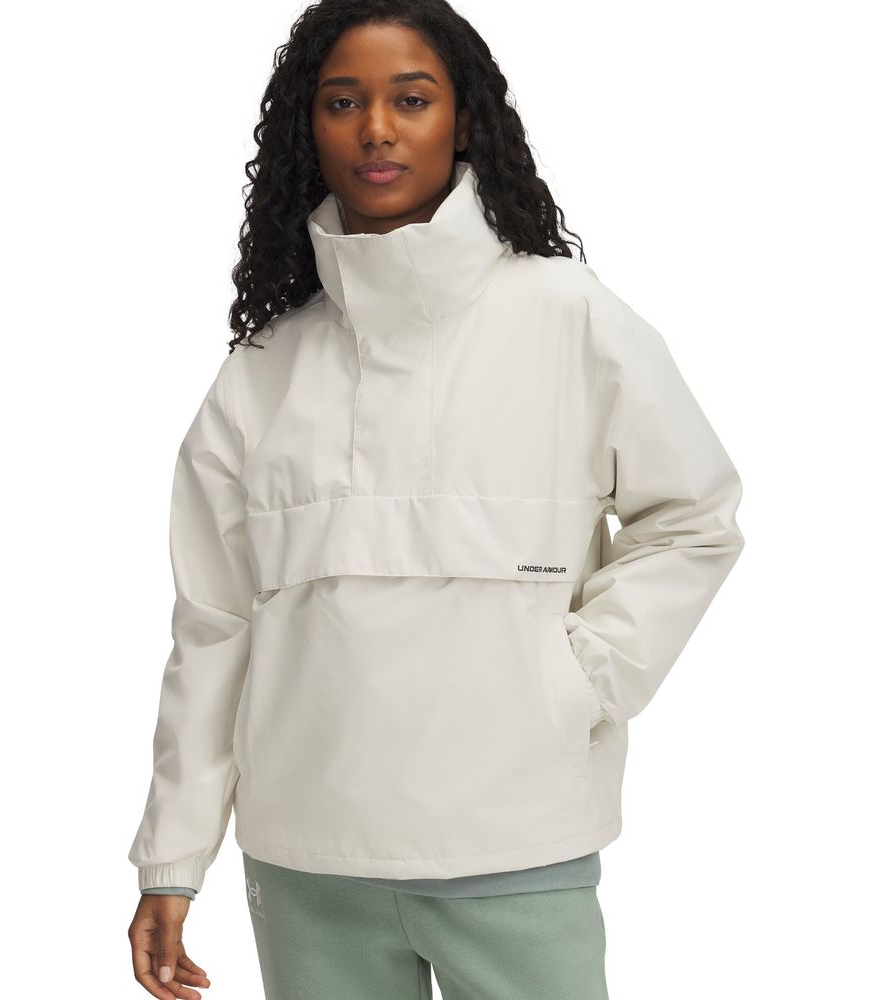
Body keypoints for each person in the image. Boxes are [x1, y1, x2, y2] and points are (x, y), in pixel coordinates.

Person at [126, 1, 746, 998]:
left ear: (463, 122)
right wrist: (172, 857)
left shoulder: (569, 317)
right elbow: (213, 623)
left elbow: (693, 518)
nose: (376, 128)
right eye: (343, 102)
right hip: (306, 862)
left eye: (410, 100)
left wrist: (579, 679)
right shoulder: (263, 370)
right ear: (309, 130)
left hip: (517, 844)